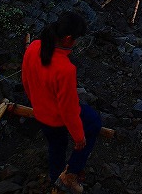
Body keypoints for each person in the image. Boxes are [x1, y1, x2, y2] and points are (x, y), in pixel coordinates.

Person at [22, 11, 102, 194]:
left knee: (56, 147)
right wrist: (79, 137)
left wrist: (36, 103)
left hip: (41, 112)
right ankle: (70, 174)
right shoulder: (65, 69)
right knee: (93, 122)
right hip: (56, 118)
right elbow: (69, 108)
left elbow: (25, 80)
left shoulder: (34, 47)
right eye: (76, 39)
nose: (76, 43)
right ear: (67, 39)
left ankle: (55, 177)